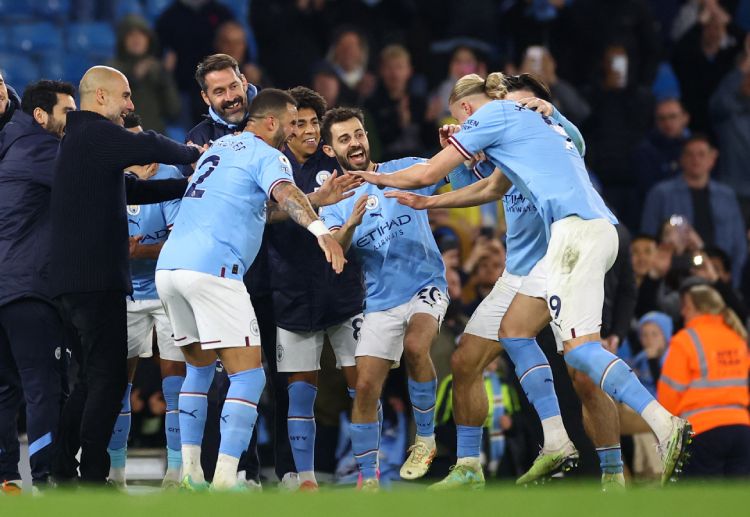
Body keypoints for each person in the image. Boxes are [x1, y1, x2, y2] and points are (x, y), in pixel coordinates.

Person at [358, 71, 692, 486]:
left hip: (569, 239)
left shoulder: (506, 116)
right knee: (503, 339)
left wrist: (374, 177)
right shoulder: (524, 140)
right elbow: (485, 189)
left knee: (581, 361)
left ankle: (658, 430)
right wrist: (430, 201)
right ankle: (541, 446)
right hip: (556, 250)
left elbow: (428, 171)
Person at [155, 88, 346, 491]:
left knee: (199, 368)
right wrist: (321, 230)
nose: (296, 131)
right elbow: (285, 194)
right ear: (273, 122)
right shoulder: (268, 155)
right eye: (293, 122)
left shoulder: (221, 148)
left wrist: (313, 200)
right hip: (214, 269)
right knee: (249, 377)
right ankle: (227, 478)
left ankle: (190, 474)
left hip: (170, 268)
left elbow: (262, 209)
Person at [49, 66, 201, 486]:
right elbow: (147, 142)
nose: (132, 105)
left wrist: (184, 185)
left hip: (74, 282)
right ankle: (94, 475)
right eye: (126, 95)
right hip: (94, 280)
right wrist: (196, 155)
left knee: (89, 379)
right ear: (100, 97)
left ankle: (64, 470)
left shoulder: (80, 141)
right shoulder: (94, 133)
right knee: (110, 377)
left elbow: (131, 190)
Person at [319, 107, 450, 491]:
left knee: (415, 345)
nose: (355, 143)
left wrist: (455, 149)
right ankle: (368, 478)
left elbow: (452, 174)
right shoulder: (334, 201)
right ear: (330, 150)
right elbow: (335, 252)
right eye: (344, 138)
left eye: (358, 134)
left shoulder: (405, 169)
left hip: (425, 285)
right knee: (364, 387)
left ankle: (424, 440)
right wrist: (351, 224)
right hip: (378, 302)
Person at [268, 86, 365, 491]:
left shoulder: (335, 161)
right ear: (284, 129)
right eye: (299, 123)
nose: (308, 130)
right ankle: (305, 478)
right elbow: (265, 214)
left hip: (343, 290)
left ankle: (369, 472)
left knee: (363, 382)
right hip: (291, 291)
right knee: (301, 389)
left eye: (313, 123)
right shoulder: (271, 168)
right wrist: (315, 200)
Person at [0, 80, 76, 494]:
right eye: (68, 111)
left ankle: (5, 478)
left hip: (5, 286)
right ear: (41, 115)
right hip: (29, 288)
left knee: (5, 388)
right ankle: (47, 479)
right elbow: (99, 187)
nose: (73, 121)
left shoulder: (8, 147)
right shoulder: (42, 149)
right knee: (42, 386)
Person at [105, 113, 187, 489]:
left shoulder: (169, 175)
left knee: (175, 382)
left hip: (164, 289)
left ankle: (175, 470)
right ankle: (116, 472)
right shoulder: (105, 175)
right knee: (117, 384)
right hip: (123, 292)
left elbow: (179, 242)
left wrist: (140, 253)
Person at [658, 284, 750, 477]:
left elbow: (669, 394)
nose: (682, 312)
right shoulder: (737, 338)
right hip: (742, 430)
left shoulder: (685, 341)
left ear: (696, 308)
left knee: (704, 503)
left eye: (686, 306)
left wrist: (667, 431)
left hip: (703, 433)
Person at [641, 135, 747, 284]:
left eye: (701, 154)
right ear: (681, 158)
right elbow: (648, 239)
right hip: (673, 280)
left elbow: (739, 245)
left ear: (712, 158)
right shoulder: (660, 194)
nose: (695, 159)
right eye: (690, 154)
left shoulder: (727, 196)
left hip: (720, 278)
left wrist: (733, 283)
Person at [108, 15, 181, 134]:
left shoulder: (157, 69)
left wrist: (166, 76)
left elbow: (173, 111)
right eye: (131, 35)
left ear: (149, 39)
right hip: (124, 137)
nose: (137, 39)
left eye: (142, 34)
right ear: (122, 40)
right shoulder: (112, 69)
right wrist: (134, 77)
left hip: (155, 137)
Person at [632, 98, 691, 203]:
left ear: (685, 118)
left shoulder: (695, 148)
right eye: (662, 119)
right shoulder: (645, 152)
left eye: (673, 117)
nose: (667, 123)